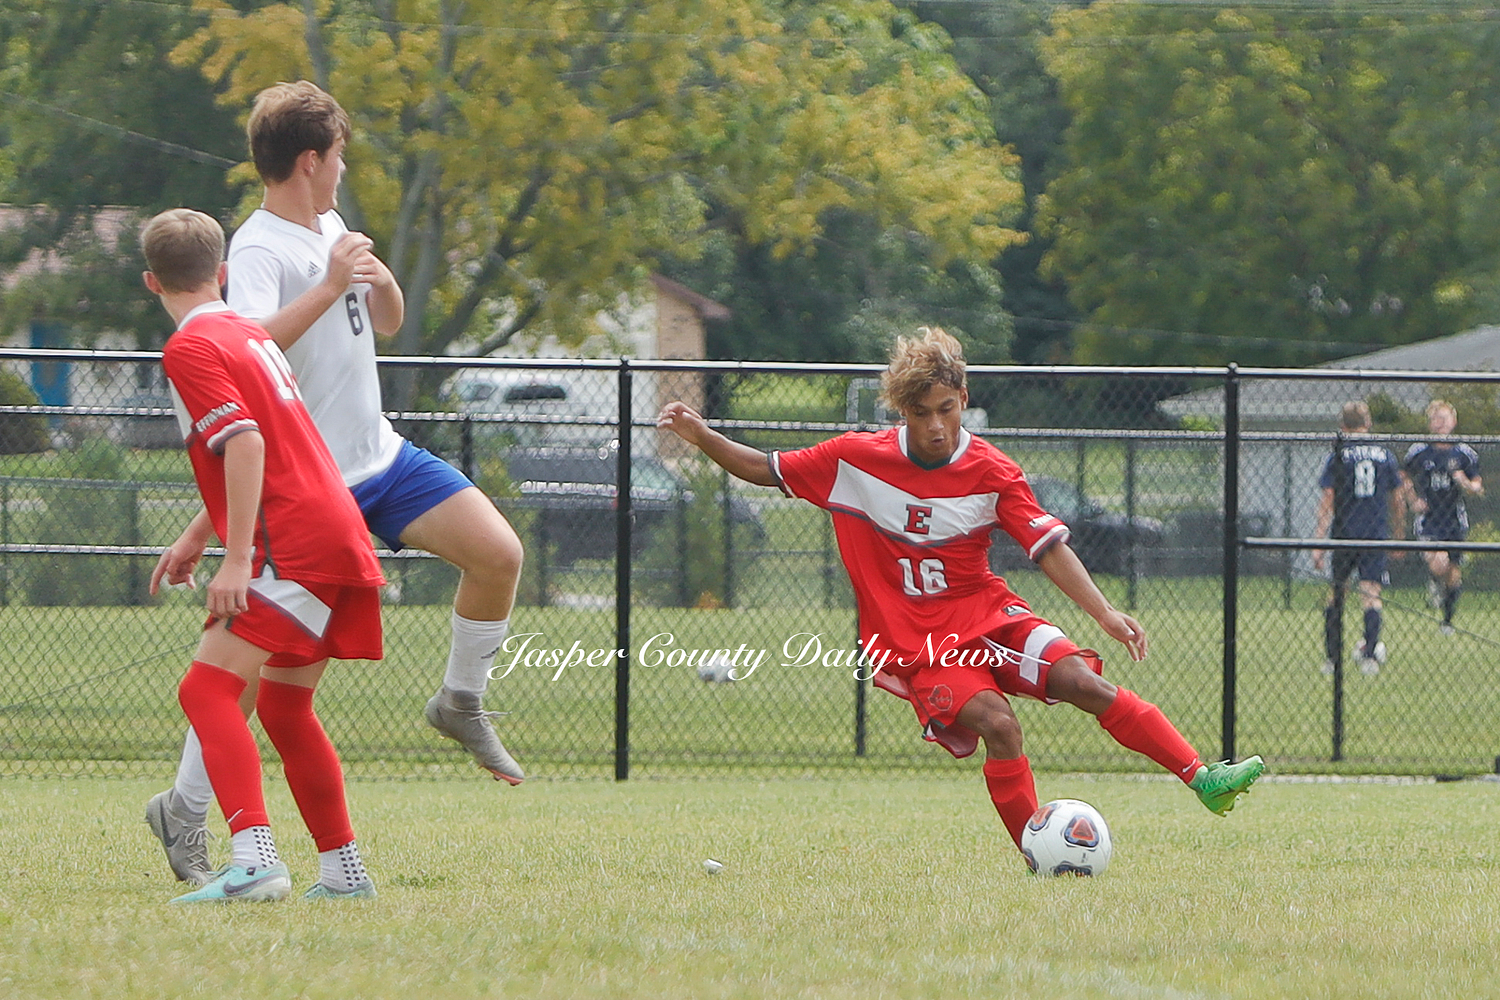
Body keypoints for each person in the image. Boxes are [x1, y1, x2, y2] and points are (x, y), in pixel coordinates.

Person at [656, 327, 1263, 862]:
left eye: (946, 409)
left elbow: (1047, 546)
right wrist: (703, 435)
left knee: (1084, 682)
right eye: (921, 413)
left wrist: (1103, 612)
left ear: (964, 400)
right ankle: (1040, 853)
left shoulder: (993, 470)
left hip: (989, 616)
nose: (936, 425)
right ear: (902, 411)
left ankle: (1202, 777)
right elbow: (765, 468)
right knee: (1000, 725)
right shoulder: (854, 460)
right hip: (921, 644)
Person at [146, 81, 525, 886]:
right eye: (341, 154)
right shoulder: (257, 249)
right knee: (251, 685)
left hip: (378, 458)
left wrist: (372, 274)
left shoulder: (331, 226)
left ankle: (459, 701)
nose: (345, 168)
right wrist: (326, 283)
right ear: (311, 160)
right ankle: (190, 810)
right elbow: (245, 349)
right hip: (312, 481)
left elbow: (384, 322)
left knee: (498, 554)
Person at [141, 208, 382, 902]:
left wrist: (237, 558)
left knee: (205, 690)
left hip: (292, 540)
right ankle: (344, 875)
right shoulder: (248, 334)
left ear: (151, 281)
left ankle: (254, 861)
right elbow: (267, 439)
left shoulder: (190, 346)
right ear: (221, 273)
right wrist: (201, 535)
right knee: (283, 707)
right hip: (336, 524)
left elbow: (245, 444)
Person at [1313, 401, 1405, 676]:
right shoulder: (1384, 455)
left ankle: (1333, 659)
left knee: (1336, 594)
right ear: (1369, 423)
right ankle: (1370, 656)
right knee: (1371, 594)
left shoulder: (1339, 455)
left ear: (1343, 426)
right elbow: (1397, 498)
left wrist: (1319, 541)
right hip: (1374, 533)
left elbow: (1327, 498)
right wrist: (1399, 533)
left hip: (1344, 533)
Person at [1402, 400, 1482, 635]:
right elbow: (1402, 477)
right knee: (1439, 563)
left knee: (1453, 572)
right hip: (1430, 518)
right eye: (1436, 419)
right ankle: (1434, 581)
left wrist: (1464, 482)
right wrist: (1413, 500)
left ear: (1453, 422)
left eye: (1444, 419)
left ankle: (1447, 621)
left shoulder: (1464, 453)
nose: (1440, 424)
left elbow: (1477, 486)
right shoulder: (1420, 451)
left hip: (1454, 519)